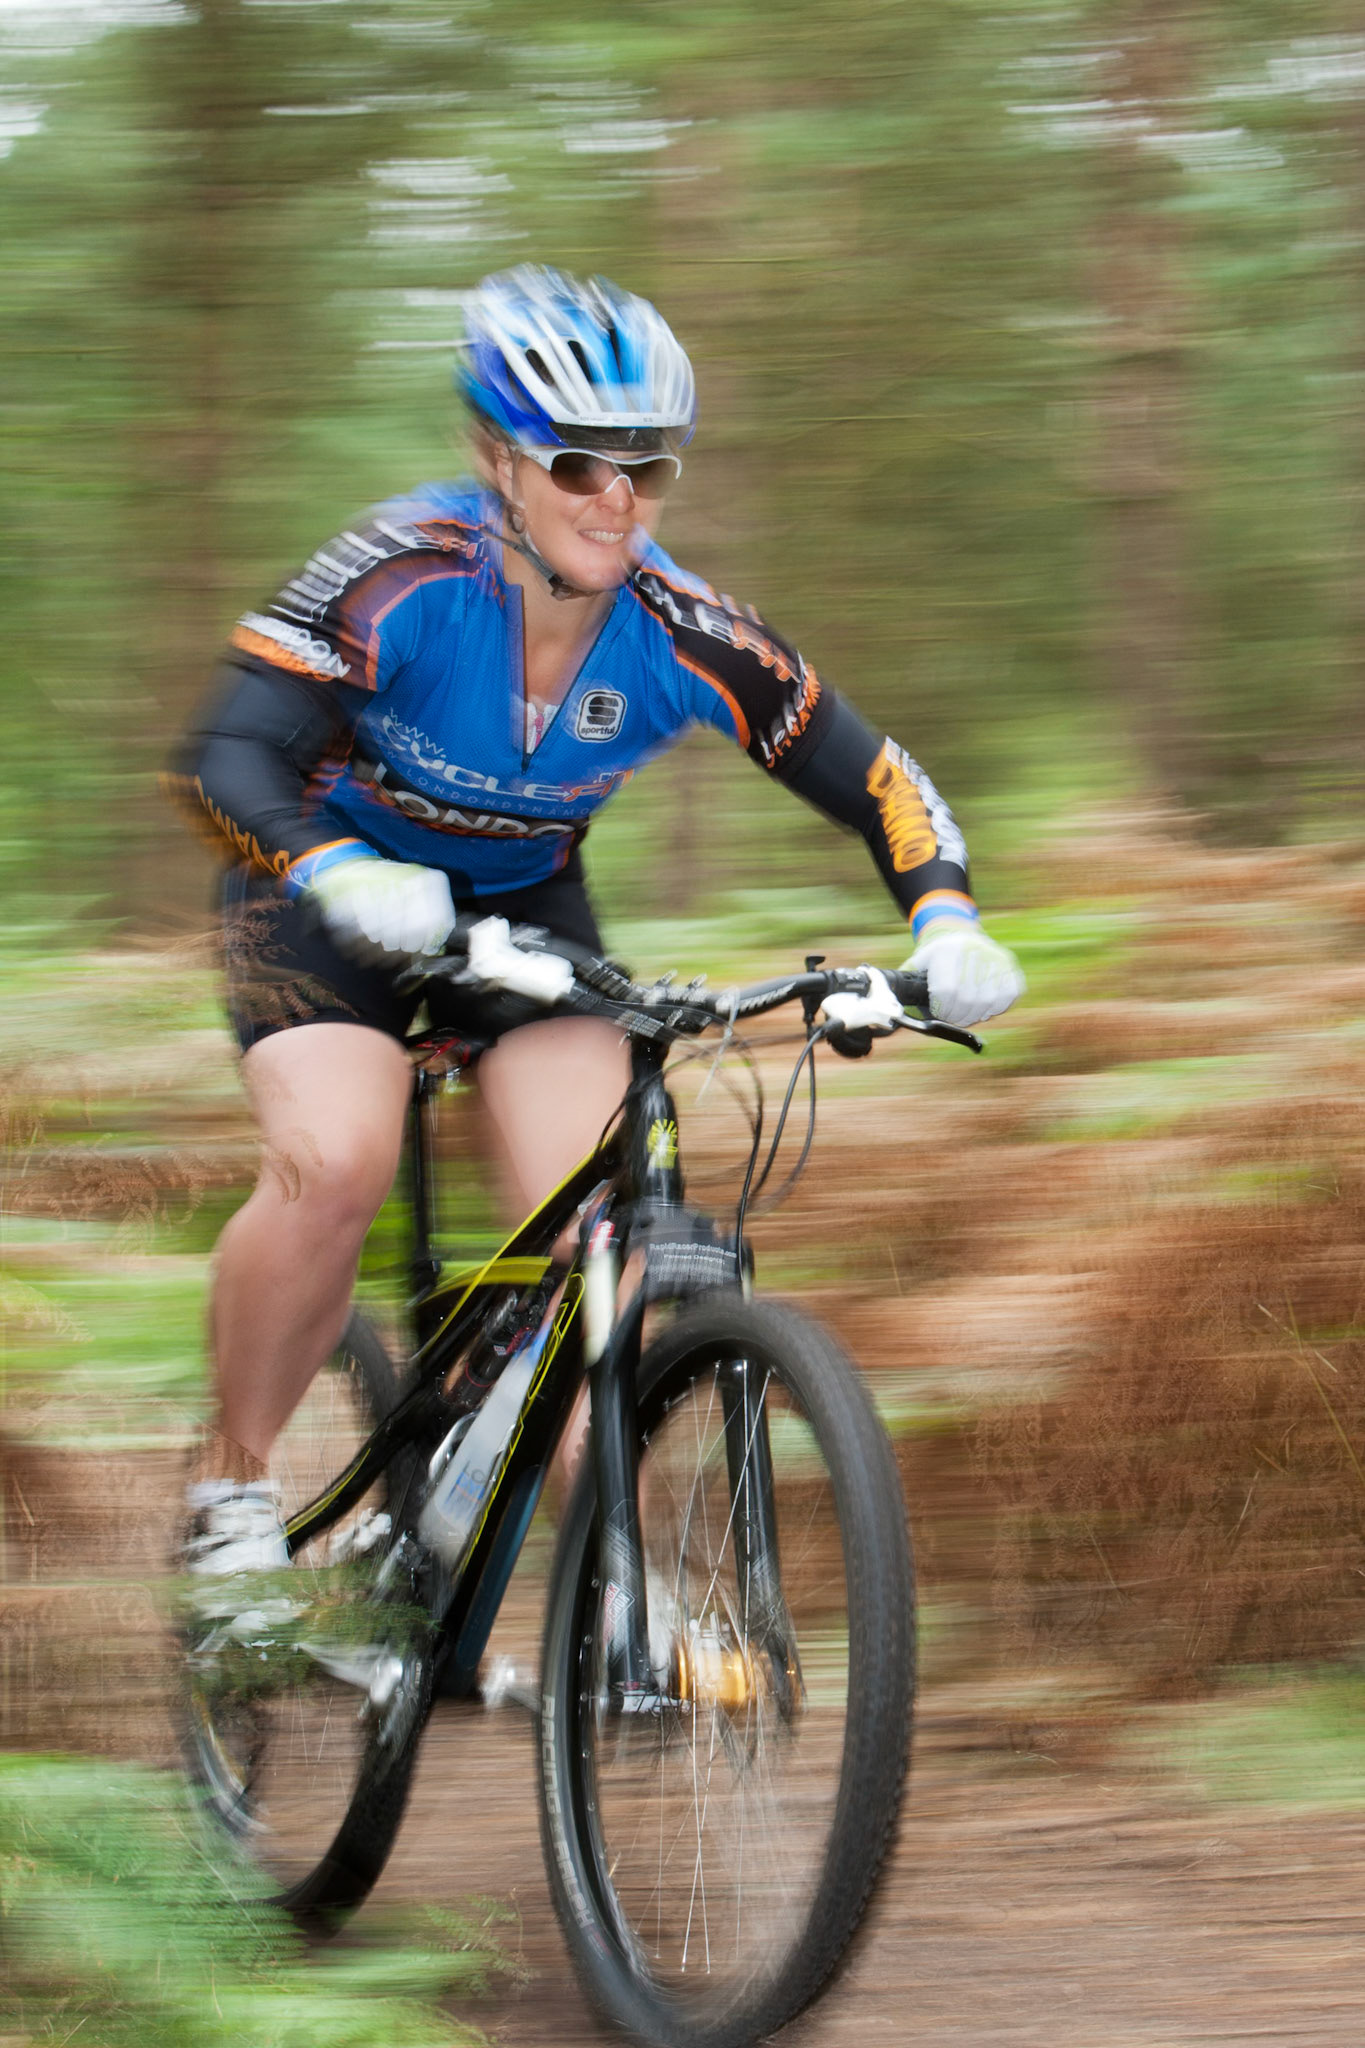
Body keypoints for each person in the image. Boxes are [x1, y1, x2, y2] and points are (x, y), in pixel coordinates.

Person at [172, 263, 1024, 1582]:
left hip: (516, 914)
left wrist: (947, 925)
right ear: (496, 459)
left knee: (605, 1247)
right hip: (316, 900)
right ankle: (229, 1491)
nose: (616, 501)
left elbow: (877, 777)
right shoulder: (397, 576)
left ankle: (592, 1589)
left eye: (649, 469)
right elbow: (221, 757)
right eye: (578, 465)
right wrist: (336, 866)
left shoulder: (679, 630)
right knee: (335, 1161)